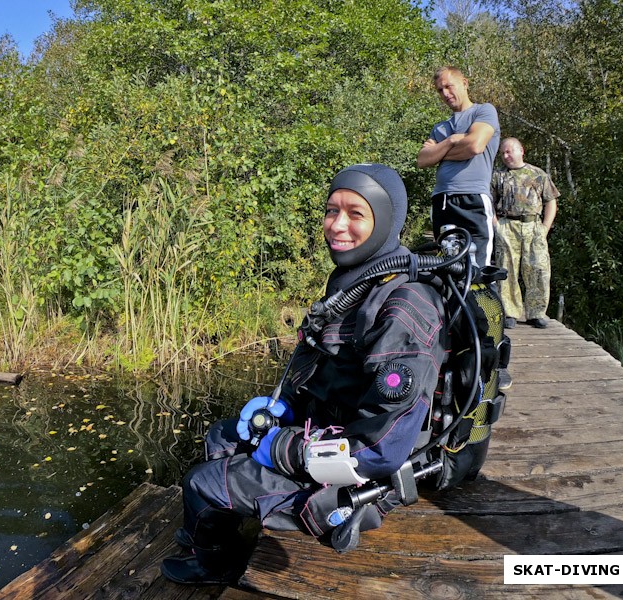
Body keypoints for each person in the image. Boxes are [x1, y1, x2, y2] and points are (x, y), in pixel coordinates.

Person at [160, 164, 452, 585]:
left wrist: (281, 447)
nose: (338, 225)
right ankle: (231, 528)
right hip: (327, 425)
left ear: (386, 221)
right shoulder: (358, 280)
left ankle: (212, 564)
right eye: (332, 210)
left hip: (359, 473)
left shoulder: (403, 305)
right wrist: (284, 406)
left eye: (356, 214)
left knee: (201, 484)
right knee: (220, 438)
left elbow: (380, 449)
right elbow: (327, 362)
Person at [417, 66, 500, 268]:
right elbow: (422, 160)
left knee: (478, 268)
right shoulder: (441, 127)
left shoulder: (483, 111)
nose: (445, 93)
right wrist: (451, 141)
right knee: (448, 266)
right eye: (439, 90)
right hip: (442, 201)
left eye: (448, 86)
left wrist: (439, 153)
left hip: (473, 199)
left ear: (464, 83)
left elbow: (474, 146)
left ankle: (479, 300)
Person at [492, 137, 560, 329]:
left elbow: (551, 201)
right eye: (503, 153)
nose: (506, 156)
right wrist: (497, 225)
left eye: (509, 151)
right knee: (507, 269)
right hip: (507, 225)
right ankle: (510, 312)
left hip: (533, 226)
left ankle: (536, 313)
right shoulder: (497, 175)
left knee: (538, 269)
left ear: (521, 150)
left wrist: (545, 228)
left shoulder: (538, 174)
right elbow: (488, 202)